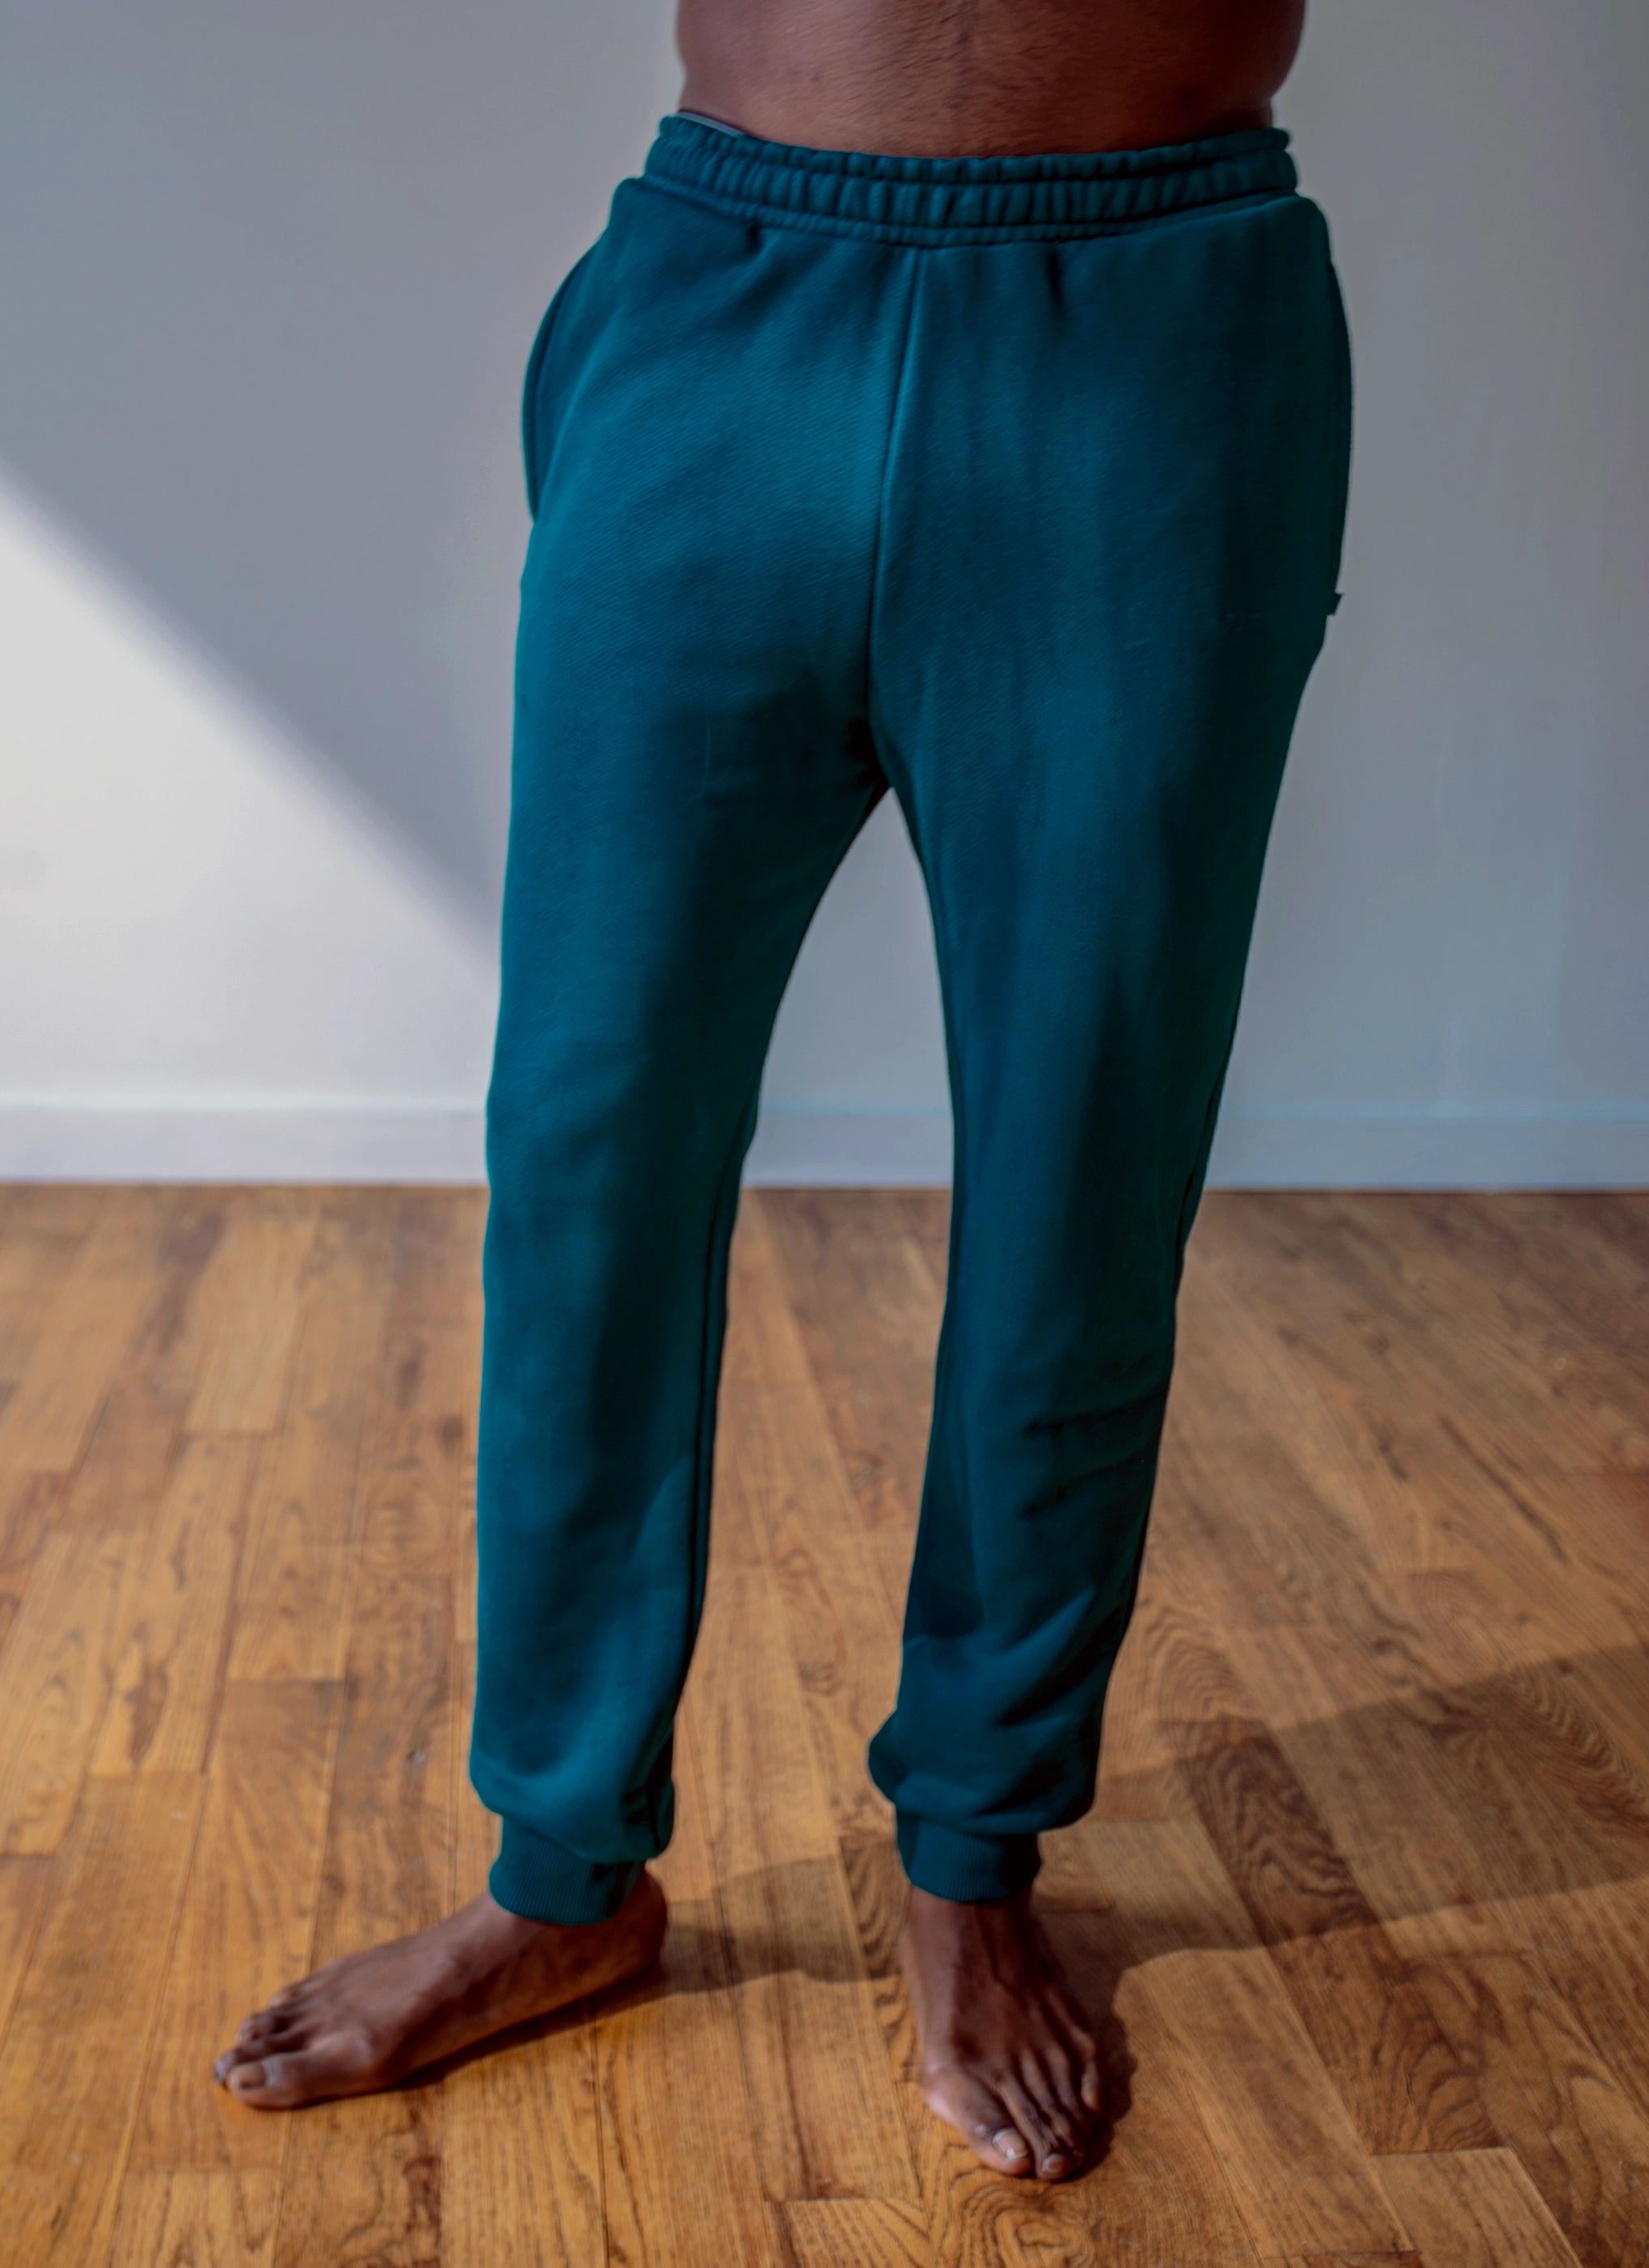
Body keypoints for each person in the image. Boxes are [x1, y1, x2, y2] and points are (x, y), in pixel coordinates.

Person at [216, 0, 1347, 2186]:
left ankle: (976, 1855)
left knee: (1080, 1152)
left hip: (1152, 314)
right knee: (588, 1134)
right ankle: (559, 1874)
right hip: (727, 289)